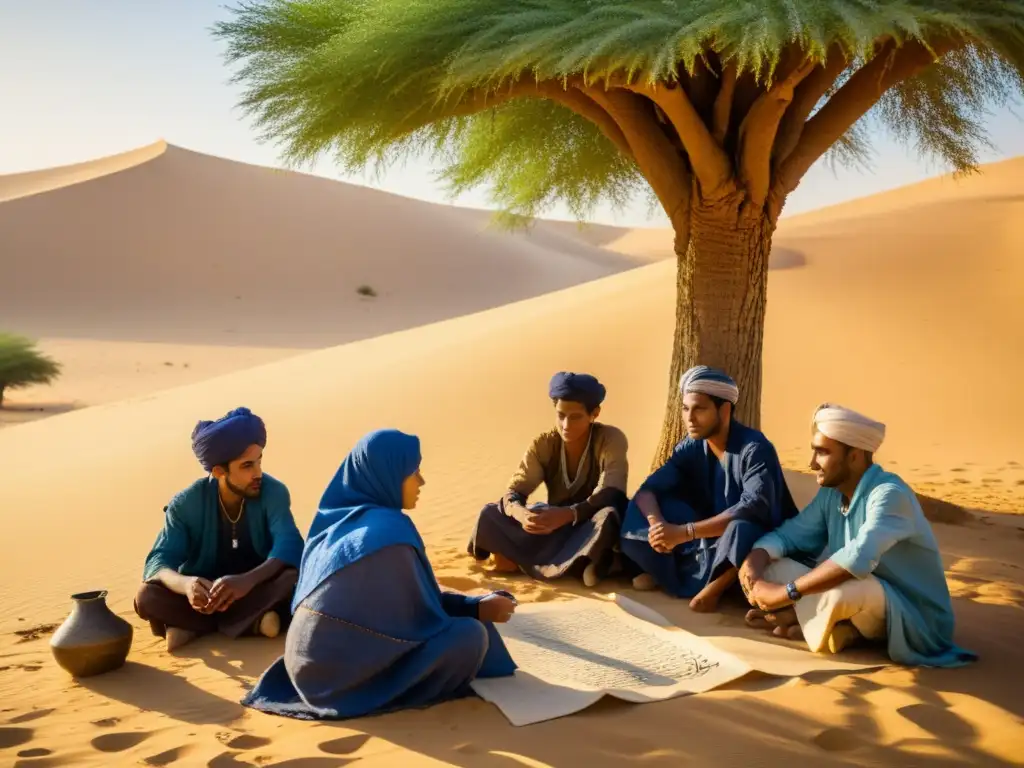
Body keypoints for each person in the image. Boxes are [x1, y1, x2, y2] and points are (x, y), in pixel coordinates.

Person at [242, 429, 518, 721]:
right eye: (413, 472)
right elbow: (425, 616)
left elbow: (411, 607)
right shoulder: (390, 532)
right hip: (334, 681)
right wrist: (475, 611)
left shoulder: (334, 522)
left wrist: (474, 606)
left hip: (303, 667)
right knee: (470, 636)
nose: (421, 481)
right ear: (386, 476)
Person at [739, 404, 976, 667]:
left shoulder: (889, 494)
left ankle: (802, 619)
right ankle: (832, 627)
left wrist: (785, 594)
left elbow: (857, 559)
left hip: (914, 616)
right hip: (857, 594)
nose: (811, 463)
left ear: (855, 456)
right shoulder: (832, 493)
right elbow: (791, 536)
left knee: (847, 592)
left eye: (822, 452)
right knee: (777, 565)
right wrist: (756, 560)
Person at [619, 366, 797, 611]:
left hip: (750, 540)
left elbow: (752, 509)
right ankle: (673, 575)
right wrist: (658, 526)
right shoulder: (691, 446)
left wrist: (684, 533)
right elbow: (648, 490)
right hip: (705, 537)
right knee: (640, 509)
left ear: (724, 410)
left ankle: (715, 586)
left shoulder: (755, 448)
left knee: (741, 529)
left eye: (699, 409)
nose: (689, 418)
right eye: (685, 409)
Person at [135, 407, 304, 651]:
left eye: (259, 462)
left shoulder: (273, 492)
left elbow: (288, 545)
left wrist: (247, 580)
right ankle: (252, 624)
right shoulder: (185, 504)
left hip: (254, 589)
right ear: (218, 471)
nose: (257, 473)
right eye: (246, 466)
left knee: (293, 578)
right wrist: (187, 585)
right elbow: (159, 561)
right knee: (147, 596)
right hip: (203, 597)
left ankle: (192, 628)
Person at [467, 372, 629, 587]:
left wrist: (569, 514)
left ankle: (580, 561)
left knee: (608, 516)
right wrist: (521, 514)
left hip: (587, 523)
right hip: (553, 527)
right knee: (490, 512)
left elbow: (611, 491)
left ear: (594, 414)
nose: (566, 425)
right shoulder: (543, 444)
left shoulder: (610, 438)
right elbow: (515, 490)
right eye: (561, 415)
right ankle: (581, 565)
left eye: (575, 417)